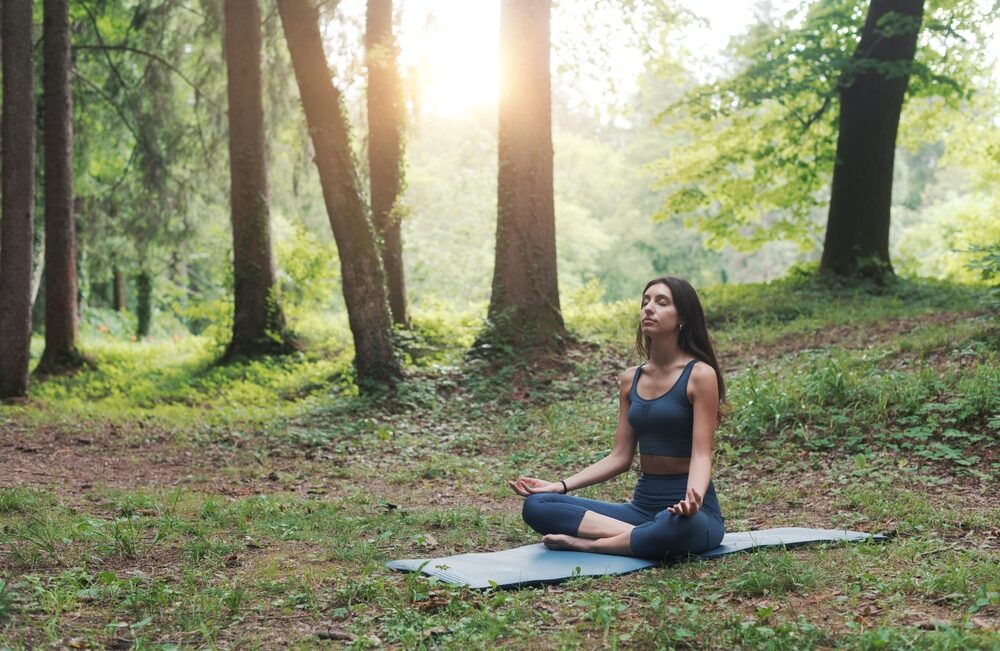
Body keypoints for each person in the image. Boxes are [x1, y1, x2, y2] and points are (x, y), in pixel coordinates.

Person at [508, 276, 726, 560]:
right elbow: (620, 457)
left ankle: (592, 544)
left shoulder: (700, 375)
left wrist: (692, 500)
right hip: (640, 510)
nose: (649, 308)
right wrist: (559, 486)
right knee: (538, 505)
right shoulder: (630, 379)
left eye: (661, 302)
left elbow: (701, 455)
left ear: (683, 316)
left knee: (679, 526)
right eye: (645, 301)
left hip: (691, 513)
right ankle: (641, 536)